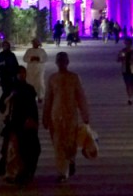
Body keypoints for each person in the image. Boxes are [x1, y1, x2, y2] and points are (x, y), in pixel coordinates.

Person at [43, 52, 91, 183]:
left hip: (70, 115)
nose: (61, 63)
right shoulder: (52, 78)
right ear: (57, 63)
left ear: (67, 62)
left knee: (71, 142)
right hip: (56, 116)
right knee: (58, 143)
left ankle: (71, 161)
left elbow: (81, 97)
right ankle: (62, 172)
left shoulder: (74, 78)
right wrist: (45, 117)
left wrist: (85, 115)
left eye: (63, 61)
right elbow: (48, 99)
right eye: (59, 61)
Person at [2, 67, 41, 185]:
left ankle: (27, 172)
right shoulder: (11, 88)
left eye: (23, 73)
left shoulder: (29, 89)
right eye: (19, 73)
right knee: (13, 150)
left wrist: (34, 121)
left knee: (31, 149)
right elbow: (2, 104)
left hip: (27, 124)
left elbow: (33, 107)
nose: (21, 75)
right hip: (14, 123)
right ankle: (13, 173)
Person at [0, 40, 20, 113]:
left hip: (12, 76)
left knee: (11, 91)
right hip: (4, 76)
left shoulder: (12, 55)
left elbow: (16, 65)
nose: (5, 47)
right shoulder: (1, 55)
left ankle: (10, 106)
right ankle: (3, 106)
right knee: (6, 91)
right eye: (4, 45)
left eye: (7, 45)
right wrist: (2, 65)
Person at [117, 37, 133, 105]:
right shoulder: (122, 51)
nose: (127, 45)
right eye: (126, 43)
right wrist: (122, 58)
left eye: (128, 43)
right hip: (125, 69)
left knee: (131, 84)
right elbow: (118, 59)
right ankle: (130, 97)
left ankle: (131, 96)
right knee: (127, 84)